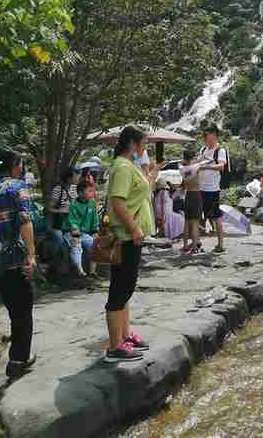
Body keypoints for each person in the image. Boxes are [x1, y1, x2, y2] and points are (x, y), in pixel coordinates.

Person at [104, 125, 155, 363]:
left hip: (131, 236)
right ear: (133, 144)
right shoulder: (123, 167)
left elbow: (138, 194)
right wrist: (134, 228)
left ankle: (125, 336)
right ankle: (115, 347)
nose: (145, 148)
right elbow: (118, 202)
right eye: (144, 144)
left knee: (126, 289)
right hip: (126, 237)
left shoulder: (127, 165)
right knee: (120, 290)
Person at [0, 150, 37, 379]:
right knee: (21, 311)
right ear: (12, 166)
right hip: (11, 261)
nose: (21, 168)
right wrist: (31, 255)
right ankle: (18, 361)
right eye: (20, 164)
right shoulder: (17, 187)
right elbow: (26, 223)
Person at [198, 126, 228, 254]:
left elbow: (221, 166)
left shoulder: (220, 150)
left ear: (216, 137)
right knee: (199, 215)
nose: (209, 140)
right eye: (207, 138)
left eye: (212, 138)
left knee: (216, 216)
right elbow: (198, 162)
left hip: (212, 188)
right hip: (201, 187)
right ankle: (197, 243)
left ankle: (221, 244)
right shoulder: (203, 149)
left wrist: (207, 167)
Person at [65, 179, 99, 277]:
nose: (92, 193)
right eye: (89, 191)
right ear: (80, 193)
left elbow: (95, 219)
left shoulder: (92, 203)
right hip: (72, 232)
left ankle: (92, 272)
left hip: (85, 233)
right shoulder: (73, 205)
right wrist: (76, 237)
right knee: (76, 246)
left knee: (95, 245)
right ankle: (80, 272)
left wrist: (95, 231)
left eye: (92, 191)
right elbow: (72, 223)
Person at [48, 166, 79, 254]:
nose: (77, 178)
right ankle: (53, 259)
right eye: (75, 176)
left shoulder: (75, 188)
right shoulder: (58, 190)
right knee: (59, 238)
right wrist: (61, 211)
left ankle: (74, 260)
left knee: (77, 237)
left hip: (70, 222)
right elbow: (49, 209)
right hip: (57, 223)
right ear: (68, 178)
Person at [179, 149, 203, 255]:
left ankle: (185, 246)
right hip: (196, 194)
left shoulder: (182, 169)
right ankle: (194, 247)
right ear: (192, 158)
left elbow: (183, 185)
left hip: (188, 195)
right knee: (195, 223)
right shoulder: (196, 168)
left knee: (186, 222)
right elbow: (202, 162)